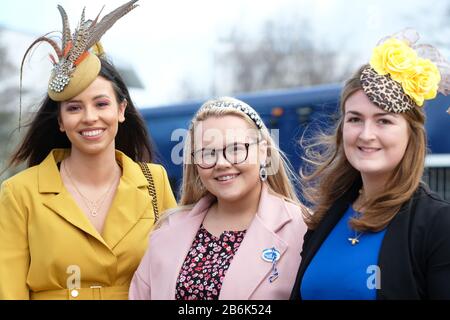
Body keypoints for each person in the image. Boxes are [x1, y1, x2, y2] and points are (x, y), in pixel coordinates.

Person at [0, 0, 177, 300]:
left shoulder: (154, 182)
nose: (90, 117)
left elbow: (175, 274)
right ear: (60, 121)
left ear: (122, 110)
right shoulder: (19, 193)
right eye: (74, 107)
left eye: (101, 103)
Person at [290, 29, 450, 300]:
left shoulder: (438, 224)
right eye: (354, 119)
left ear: (411, 134)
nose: (366, 134)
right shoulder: (328, 215)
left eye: (383, 120)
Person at [129, 97, 308, 300]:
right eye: (207, 153)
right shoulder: (168, 230)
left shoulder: (302, 229)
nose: (221, 163)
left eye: (235, 149)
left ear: (263, 152)